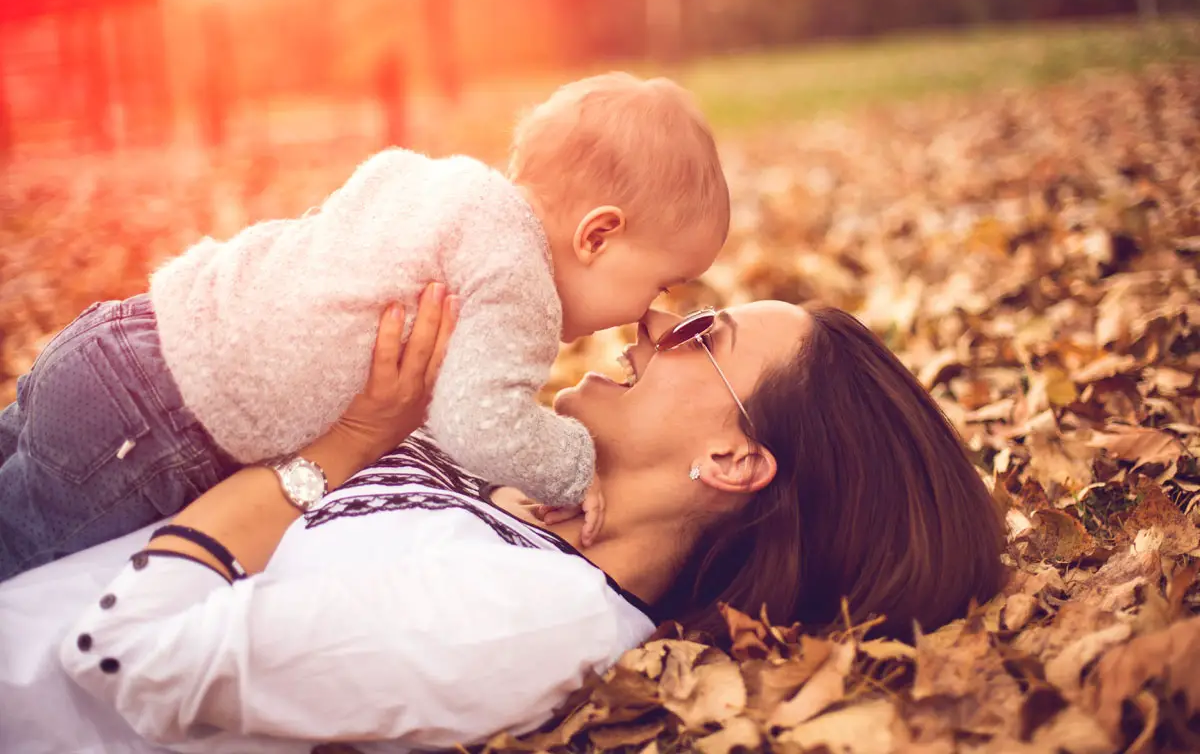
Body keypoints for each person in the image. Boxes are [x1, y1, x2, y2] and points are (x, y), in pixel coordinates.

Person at [0, 292, 1005, 753]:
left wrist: (343, 447)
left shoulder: (535, 619)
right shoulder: (533, 517)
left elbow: (128, 653)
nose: (657, 317)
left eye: (704, 331)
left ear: (734, 461)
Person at [0, 72, 731, 581]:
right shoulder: (522, 285)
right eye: (658, 283)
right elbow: (479, 423)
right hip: (163, 426)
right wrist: (575, 463)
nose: (650, 312)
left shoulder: (444, 185)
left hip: (125, 335)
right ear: (598, 236)